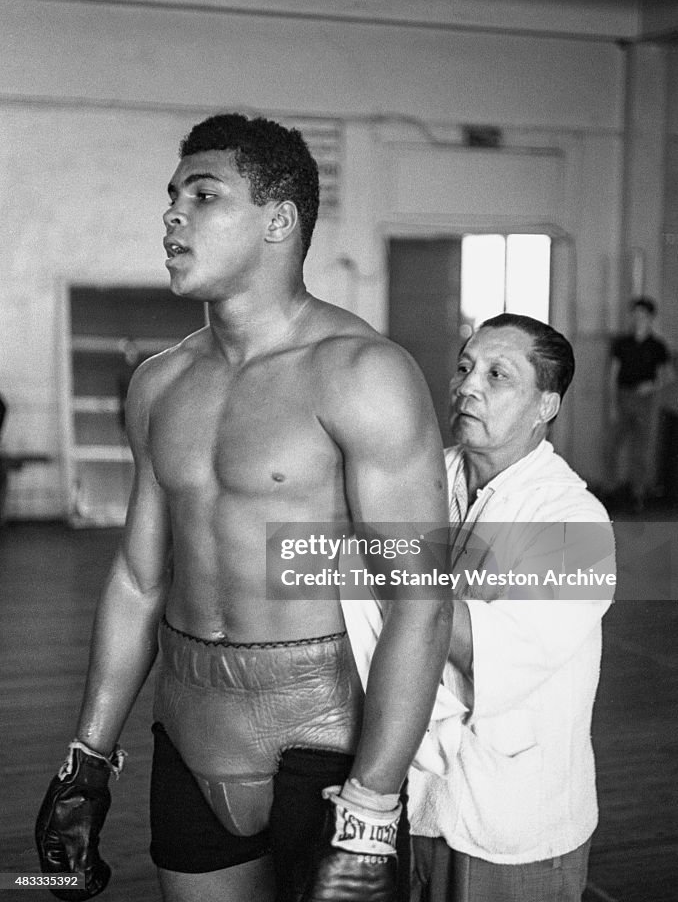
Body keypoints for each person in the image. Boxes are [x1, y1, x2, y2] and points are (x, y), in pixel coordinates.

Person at [34, 114, 453, 902]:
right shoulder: (158, 384)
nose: (172, 215)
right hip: (190, 720)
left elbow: (421, 601)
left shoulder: (362, 373)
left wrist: (370, 807)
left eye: (204, 195)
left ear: (278, 220)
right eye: (172, 196)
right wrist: (85, 761)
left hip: (325, 735)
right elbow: (137, 578)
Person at [341, 313, 615, 902]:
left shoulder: (572, 519)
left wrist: (393, 564)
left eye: (498, 375)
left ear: (546, 405)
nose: (468, 385)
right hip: (413, 805)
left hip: (512, 816)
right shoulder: (423, 479)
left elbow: (492, 645)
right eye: (465, 367)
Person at [607, 296, 671, 510]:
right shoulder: (621, 343)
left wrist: (651, 386)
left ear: (651, 318)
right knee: (613, 445)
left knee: (641, 448)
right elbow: (613, 376)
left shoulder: (658, 346)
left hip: (645, 400)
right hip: (623, 396)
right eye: (636, 315)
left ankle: (638, 494)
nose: (639, 319)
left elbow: (666, 376)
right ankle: (612, 490)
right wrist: (613, 404)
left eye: (643, 315)